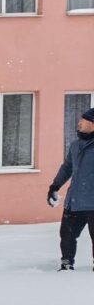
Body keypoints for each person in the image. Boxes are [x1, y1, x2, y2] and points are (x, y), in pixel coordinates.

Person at [48, 106, 94, 271]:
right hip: (74, 201)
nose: (79, 123)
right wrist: (55, 186)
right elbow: (67, 168)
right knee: (67, 235)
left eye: (84, 120)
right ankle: (66, 264)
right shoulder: (75, 145)